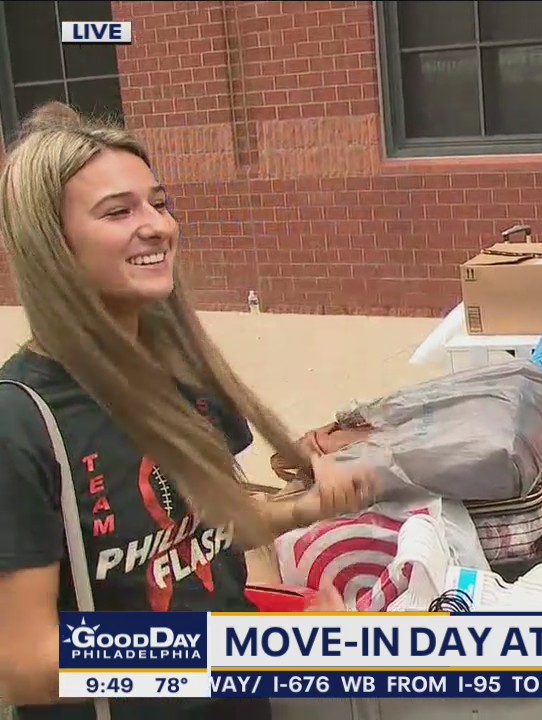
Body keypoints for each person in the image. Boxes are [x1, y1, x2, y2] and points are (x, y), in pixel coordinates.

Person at [0, 102, 377, 720]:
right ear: (52, 246)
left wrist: (313, 508)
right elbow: (29, 666)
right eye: (119, 211)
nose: (157, 226)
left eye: (159, 202)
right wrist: (250, 651)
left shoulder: (184, 378)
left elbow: (210, 532)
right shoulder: (22, 420)